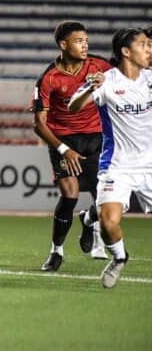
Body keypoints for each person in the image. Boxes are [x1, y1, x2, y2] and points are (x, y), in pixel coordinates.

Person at [68, 27, 152, 288]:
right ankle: (119, 257)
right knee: (109, 221)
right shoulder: (106, 81)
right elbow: (74, 106)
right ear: (126, 52)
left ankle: (87, 218)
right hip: (117, 165)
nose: (149, 50)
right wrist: (91, 87)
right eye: (144, 45)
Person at [32, 20, 112, 271]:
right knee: (70, 194)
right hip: (64, 140)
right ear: (63, 44)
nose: (85, 45)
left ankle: (88, 220)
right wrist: (64, 149)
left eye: (86, 40)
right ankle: (56, 252)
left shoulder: (99, 65)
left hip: (97, 137)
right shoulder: (49, 78)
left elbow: (127, 79)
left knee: (107, 201)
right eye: (79, 41)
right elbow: (39, 125)